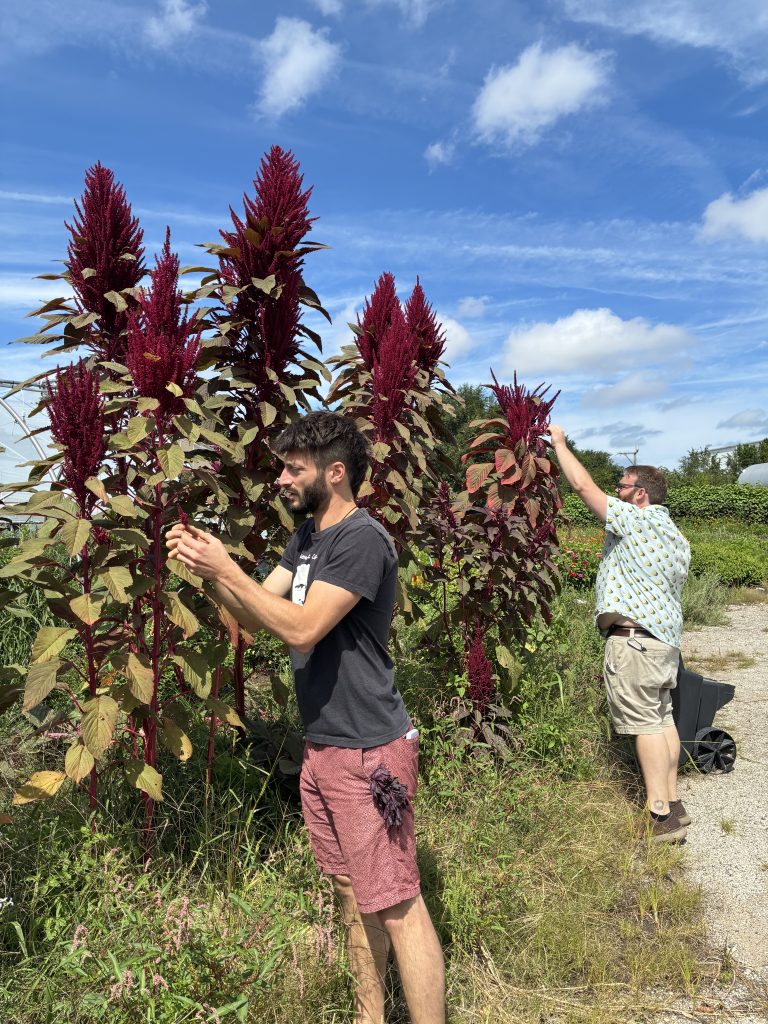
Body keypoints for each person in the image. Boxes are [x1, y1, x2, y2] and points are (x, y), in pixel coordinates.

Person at [166, 410, 445, 1024]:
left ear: (335, 472)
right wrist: (207, 572)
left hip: (369, 750)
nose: (282, 481)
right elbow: (257, 609)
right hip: (324, 746)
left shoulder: (362, 540)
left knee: (398, 902)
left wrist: (226, 569)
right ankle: (369, 1017)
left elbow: (302, 626)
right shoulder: (308, 540)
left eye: (295, 469)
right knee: (350, 894)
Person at [549, 426, 691, 842]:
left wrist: (558, 442)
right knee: (663, 720)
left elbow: (581, 484)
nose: (617, 490)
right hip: (663, 644)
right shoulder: (676, 536)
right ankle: (674, 804)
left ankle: (659, 815)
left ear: (641, 493)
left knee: (645, 724)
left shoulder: (635, 519)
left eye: (623, 485)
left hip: (634, 642)